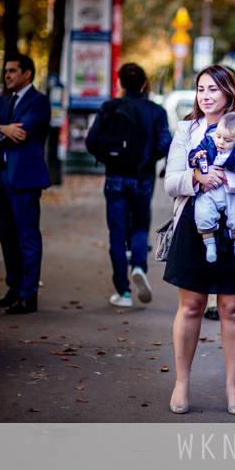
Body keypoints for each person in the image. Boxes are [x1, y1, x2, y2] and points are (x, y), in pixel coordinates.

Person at [163, 65, 235, 415]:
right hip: (195, 227)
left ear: (228, 93)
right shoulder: (186, 129)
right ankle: (182, 383)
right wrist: (196, 178)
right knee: (191, 306)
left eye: (213, 89)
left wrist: (224, 178)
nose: (205, 96)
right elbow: (170, 180)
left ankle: (233, 386)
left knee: (232, 309)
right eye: (200, 89)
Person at [86, 63, 171, 308]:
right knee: (139, 226)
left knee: (116, 233)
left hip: (114, 177)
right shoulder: (156, 111)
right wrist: (147, 159)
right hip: (142, 178)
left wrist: (109, 158)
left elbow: (92, 140)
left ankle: (122, 292)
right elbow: (166, 143)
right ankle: (139, 267)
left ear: (121, 83)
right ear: (144, 83)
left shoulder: (108, 107)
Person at [0, 53, 51, 314]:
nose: (7, 75)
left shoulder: (39, 102)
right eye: (6, 71)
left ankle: (28, 295)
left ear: (27, 74)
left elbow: (22, 133)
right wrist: (1, 129)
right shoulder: (4, 101)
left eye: (12, 70)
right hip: (0, 175)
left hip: (24, 179)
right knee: (7, 237)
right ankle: (14, 289)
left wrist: (2, 128)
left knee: (27, 237)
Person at [188, 112, 235, 265]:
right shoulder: (208, 141)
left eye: (227, 140)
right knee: (203, 210)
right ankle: (210, 245)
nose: (220, 142)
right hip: (211, 189)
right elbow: (194, 155)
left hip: (233, 190)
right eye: (218, 136)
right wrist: (196, 158)